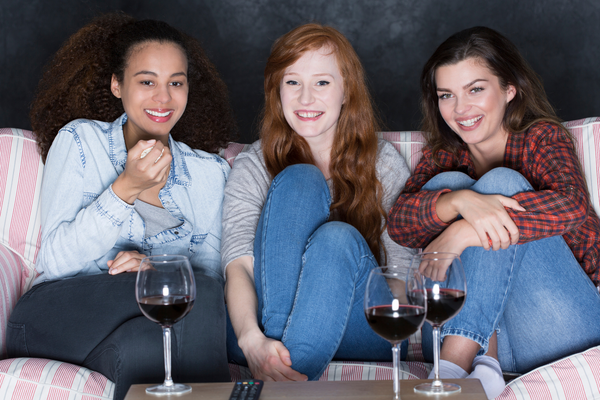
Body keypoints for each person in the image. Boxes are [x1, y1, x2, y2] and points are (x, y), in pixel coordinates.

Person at [6, 13, 237, 400]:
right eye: (146, 81)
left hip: (136, 329)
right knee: (199, 292)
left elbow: (212, 283)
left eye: (175, 83)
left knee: (146, 347)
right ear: (117, 84)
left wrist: (150, 270)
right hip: (54, 317)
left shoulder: (209, 173)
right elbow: (58, 260)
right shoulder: (81, 142)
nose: (162, 98)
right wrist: (125, 188)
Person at [387, 26, 600, 398]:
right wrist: (458, 202)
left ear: (509, 89)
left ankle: (452, 366)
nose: (460, 109)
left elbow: (573, 205)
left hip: (558, 328)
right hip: (487, 340)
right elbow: (400, 225)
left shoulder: (541, 138)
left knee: (501, 182)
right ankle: (483, 368)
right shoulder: (444, 155)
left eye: (476, 89)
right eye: (446, 95)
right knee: (450, 183)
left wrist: (463, 232)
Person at [222, 23, 416, 381]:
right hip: (260, 332)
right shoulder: (253, 163)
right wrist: (252, 342)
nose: (305, 98)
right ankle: (286, 360)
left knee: (337, 238)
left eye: (322, 83)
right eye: (293, 82)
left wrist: (328, 290)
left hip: (363, 328)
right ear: (277, 91)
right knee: (300, 179)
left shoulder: (382, 162)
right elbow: (239, 266)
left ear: (346, 92)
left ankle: (283, 372)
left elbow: (400, 277)